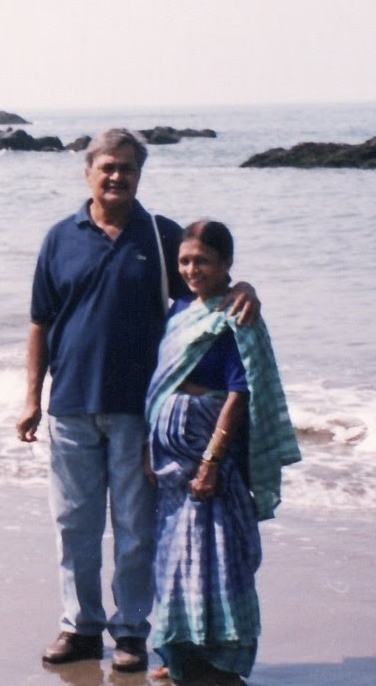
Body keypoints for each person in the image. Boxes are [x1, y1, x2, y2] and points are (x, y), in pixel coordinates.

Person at [17, 128, 258, 674]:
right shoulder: (60, 237)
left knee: (134, 526)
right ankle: (79, 627)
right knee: (73, 524)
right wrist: (31, 397)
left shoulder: (160, 235)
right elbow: (40, 322)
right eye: (107, 167)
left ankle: (129, 630)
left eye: (127, 167)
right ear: (88, 172)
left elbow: (206, 284)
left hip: (140, 410)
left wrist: (245, 287)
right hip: (71, 404)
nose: (117, 176)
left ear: (139, 174)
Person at [145, 221, 300, 685]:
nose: (192, 269)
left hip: (209, 464)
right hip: (170, 468)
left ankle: (223, 661)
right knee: (174, 560)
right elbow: (159, 385)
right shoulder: (178, 310)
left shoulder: (236, 314)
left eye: (203, 261)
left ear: (226, 264)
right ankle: (178, 654)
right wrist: (145, 446)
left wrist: (211, 461)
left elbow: (239, 393)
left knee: (218, 557)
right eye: (185, 261)